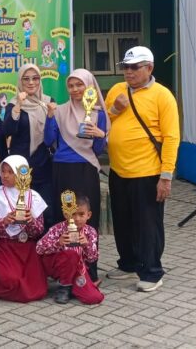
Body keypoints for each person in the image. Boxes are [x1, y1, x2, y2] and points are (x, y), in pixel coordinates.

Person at [104, 46, 180, 292]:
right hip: (118, 170)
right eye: (125, 67)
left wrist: (166, 176)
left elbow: (171, 137)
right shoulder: (116, 90)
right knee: (122, 221)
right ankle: (128, 263)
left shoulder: (163, 95)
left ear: (149, 68)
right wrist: (115, 109)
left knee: (148, 225)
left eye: (134, 67)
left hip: (147, 172)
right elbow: (102, 123)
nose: (128, 72)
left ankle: (152, 271)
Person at [44, 68, 108, 282]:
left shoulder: (98, 114)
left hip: (86, 169)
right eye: (71, 86)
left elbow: (97, 149)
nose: (75, 89)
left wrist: (100, 135)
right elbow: (48, 141)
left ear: (89, 86)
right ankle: (64, 274)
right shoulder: (60, 111)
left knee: (87, 220)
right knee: (64, 218)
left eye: (79, 84)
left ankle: (89, 272)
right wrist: (50, 117)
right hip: (62, 169)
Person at [0, 155, 47, 302]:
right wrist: (4, 221)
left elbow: (39, 230)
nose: (5, 175)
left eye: (10, 172)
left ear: (21, 174)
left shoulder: (34, 197)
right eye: (3, 171)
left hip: (27, 246)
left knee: (37, 289)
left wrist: (31, 221)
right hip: (4, 246)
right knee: (11, 281)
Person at [4, 64, 54, 225]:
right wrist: (19, 105)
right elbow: (8, 129)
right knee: (20, 209)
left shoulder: (48, 102)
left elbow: (53, 134)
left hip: (43, 164)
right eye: (26, 79)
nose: (31, 82)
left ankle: (44, 240)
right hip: (20, 166)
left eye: (35, 78)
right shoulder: (13, 103)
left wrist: (51, 115)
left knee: (45, 210)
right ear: (20, 81)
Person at [36, 193, 104, 305]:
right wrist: (58, 243)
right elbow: (38, 248)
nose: (76, 219)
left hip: (78, 269)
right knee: (71, 254)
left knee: (94, 298)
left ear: (89, 215)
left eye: (81, 214)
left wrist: (86, 245)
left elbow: (92, 259)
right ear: (66, 214)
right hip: (56, 268)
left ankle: (73, 287)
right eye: (72, 214)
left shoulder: (90, 232)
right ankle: (63, 287)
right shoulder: (58, 229)